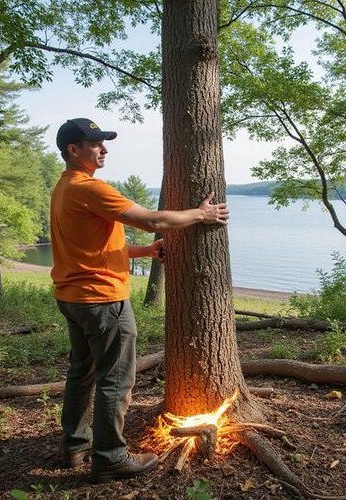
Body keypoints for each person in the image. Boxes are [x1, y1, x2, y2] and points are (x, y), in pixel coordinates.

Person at [50, 118, 229, 483]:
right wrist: (202, 214)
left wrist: (146, 252)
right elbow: (153, 220)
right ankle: (110, 458)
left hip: (73, 298)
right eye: (95, 143)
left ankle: (75, 445)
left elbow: (92, 248)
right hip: (103, 301)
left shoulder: (64, 188)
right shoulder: (91, 189)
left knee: (82, 373)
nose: (104, 149)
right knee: (115, 378)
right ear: (73, 149)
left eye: (104, 142)